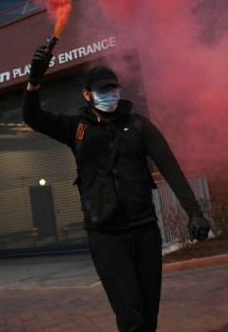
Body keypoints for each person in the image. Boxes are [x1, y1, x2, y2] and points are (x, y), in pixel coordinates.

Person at [23, 42, 210, 332]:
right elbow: (32, 117)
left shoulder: (139, 125)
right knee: (131, 316)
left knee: (149, 314)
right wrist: (35, 80)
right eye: (101, 91)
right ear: (87, 95)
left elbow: (170, 166)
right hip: (106, 236)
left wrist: (194, 212)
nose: (109, 95)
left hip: (145, 230)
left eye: (113, 89)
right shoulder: (77, 129)